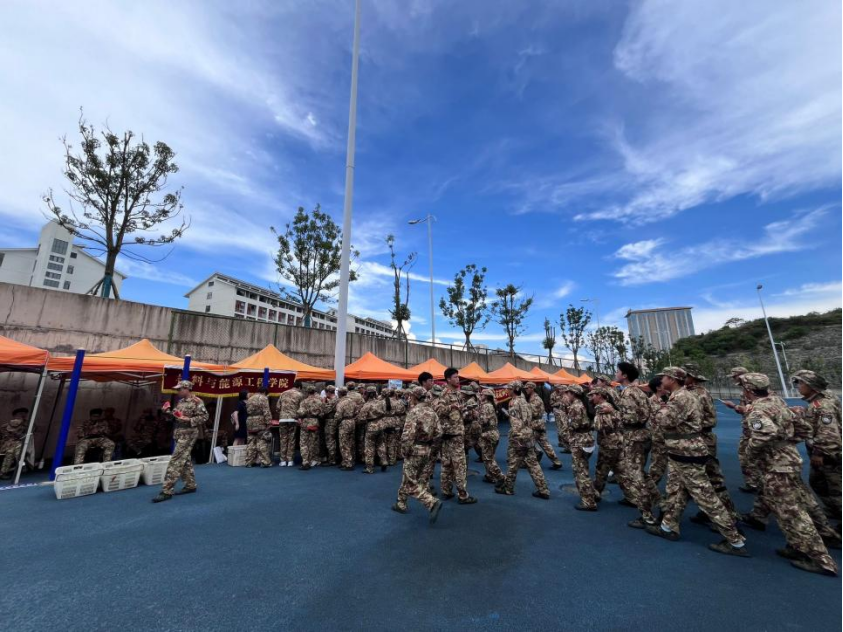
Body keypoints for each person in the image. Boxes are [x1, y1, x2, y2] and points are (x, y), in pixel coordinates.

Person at [738, 372, 837, 576]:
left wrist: (750, 454)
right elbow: (804, 428)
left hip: (776, 466)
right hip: (789, 460)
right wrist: (788, 444)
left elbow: (765, 434)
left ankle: (821, 560)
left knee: (791, 513)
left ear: (748, 390)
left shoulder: (758, 409)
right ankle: (806, 542)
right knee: (806, 502)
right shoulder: (777, 402)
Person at [644, 368, 748, 558]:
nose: (661, 380)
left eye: (664, 377)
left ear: (672, 379)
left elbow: (664, 421)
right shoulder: (680, 395)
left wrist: (658, 408)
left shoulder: (681, 398)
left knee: (705, 496)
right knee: (675, 491)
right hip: (679, 451)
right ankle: (668, 526)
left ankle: (735, 540)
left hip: (687, 452)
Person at [683, 363, 739, 525]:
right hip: (700, 437)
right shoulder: (695, 392)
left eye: (685, 376)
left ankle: (727, 517)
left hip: (701, 438)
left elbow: (700, 419)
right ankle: (715, 512)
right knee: (705, 477)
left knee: (710, 477)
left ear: (692, 377)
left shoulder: (696, 394)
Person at [791, 370, 842, 526]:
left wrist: (819, 453)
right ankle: (835, 510)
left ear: (812, 386)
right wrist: (803, 413)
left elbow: (829, 435)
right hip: (824, 453)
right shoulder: (818, 402)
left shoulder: (822, 406)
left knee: (836, 490)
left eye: (801, 383)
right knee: (817, 483)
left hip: (829, 455)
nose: (798, 386)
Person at [615, 362, 659, 530]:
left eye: (618, 371)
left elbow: (630, 418)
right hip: (642, 434)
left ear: (625, 375)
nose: (616, 374)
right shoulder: (639, 392)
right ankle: (660, 502)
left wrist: (616, 416)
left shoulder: (627, 393)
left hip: (633, 436)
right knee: (641, 473)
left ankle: (647, 515)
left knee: (635, 476)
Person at [392, 386, 443, 524]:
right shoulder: (432, 412)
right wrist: (431, 446)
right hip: (426, 449)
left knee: (410, 482)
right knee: (409, 476)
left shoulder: (414, 412)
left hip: (414, 449)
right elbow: (439, 433)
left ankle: (431, 502)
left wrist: (405, 451)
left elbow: (407, 436)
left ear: (414, 397)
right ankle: (401, 503)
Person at [153, 381, 208, 503]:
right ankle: (190, 485)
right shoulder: (181, 402)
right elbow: (176, 416)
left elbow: (204, 417)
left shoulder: (197, 401)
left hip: (189, 433)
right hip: (179, 432)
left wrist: (189, 420)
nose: (177, 391)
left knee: (176, 460)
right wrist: (167, 412)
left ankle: (167, 490)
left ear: (187, 389)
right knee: (185, 459)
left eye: (179, 389)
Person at [495, 381, 550, 499]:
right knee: (533, 464)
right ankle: (543, 489)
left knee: (513, 463)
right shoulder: (524, 401)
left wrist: (516, 438)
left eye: (509, 388)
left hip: (519, 436)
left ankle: (508, 488)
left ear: (514, 389)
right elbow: (525, 418)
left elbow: (516, 423)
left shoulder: (513, 402)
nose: (507, 391)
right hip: (528, 434)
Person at [432, 368, 477, 504]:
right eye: (455, 377)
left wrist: (467, 411)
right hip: (452, 433)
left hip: (454, 432)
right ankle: (462, 495)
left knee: (447, 463)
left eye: (458, 377)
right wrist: (451, 407)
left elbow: (458, 412)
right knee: (459, 465)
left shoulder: (457, 393)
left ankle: (446, 491)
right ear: (448, 379)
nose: (458, 379)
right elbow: (438, 410)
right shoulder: (445, 393)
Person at [722, 366, 761, 493]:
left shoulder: (752, 391)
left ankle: (756, 483)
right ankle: (754, 482)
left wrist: (734, 406)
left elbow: (754, 411)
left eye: (734, 377)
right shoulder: (746, 390)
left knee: (749, 455)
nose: (733, 379)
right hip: (749, 428)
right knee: (746, 455)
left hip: (755, 430)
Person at [563, 385, 599, 511]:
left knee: (580, 471)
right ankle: (592, 493)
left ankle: (589, 501)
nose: (566, 395)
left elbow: (574, 425)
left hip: (579, 439)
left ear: (573, 394)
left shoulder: (575, 407)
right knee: (583, 468)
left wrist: (567, 431)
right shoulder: (582, 404)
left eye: (568, 393)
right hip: (586, 438)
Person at [591, 388, 624, 499]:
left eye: (593, 395)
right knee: (620, 470)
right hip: (618, 440)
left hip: (608, 442)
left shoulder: (601, 408)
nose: (592, 398)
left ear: (600, 395)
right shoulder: (611, 407)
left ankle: (594, 495)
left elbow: (599, 426)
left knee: (601, 470)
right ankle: (632, 497)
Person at [525, 381, 563, 470]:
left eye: (527, 388)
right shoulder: (532, 398)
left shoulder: (536, 399)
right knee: (545, 444)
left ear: (532, 388)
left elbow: (534, 413)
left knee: (527, 442)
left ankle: (534, 457)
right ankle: (556, 462)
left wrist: (525, 411)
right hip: (538, 424)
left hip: (535, 424)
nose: (526, 389)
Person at [477, 388, 504, 485]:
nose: (480, 396)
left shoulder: (486, 406)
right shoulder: (491, 405)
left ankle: (501, 477)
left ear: (486, 396)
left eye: (482, 394)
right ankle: (490, 475)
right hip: (493, 433)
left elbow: (483, 421)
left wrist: (477, 415)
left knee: (488, 458)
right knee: (490, 456)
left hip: (488, 434)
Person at [646, 376, 669, 490]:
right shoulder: (652, 401)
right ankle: (648, 492)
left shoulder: (666, 399)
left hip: (666, 438)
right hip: (659, 439)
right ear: (658, 387)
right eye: (664, 384)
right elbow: (653, 423)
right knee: (657, 467)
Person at [360, 385, 389, 474]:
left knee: (369, 447)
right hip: (381, 425)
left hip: (371, 427)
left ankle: (369, 467)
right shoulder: (381, 403)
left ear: (367, 394)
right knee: (381, 444)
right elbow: (385, 412)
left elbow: (362, 418)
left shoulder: (367, 405)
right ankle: (384, 461)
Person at [244, 386, 273, 468]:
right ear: (264, 392)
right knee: (262, 441)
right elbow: (266, 411)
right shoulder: (263, 398)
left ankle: (249, 462)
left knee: (251, 442)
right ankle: (265, 462)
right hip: (260, 421)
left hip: (250, 421)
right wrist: (269, 422)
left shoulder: (250, 398)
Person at [296, 385, 323, 470]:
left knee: (303, 443)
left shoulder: (304, 402)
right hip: (315, 422)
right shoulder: (319, 402)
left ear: (307, 392)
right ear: (314, 392)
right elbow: (322, 414)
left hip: (305, 423)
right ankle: (311, 460)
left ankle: (305, 462)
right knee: (312, 443)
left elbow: (301, 413)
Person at [277, 382, 304, 467]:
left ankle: (282, 461)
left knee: (283, 439)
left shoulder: (283, 393)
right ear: (299, 387)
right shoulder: (300, 395)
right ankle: (290, 460)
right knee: (291, 439)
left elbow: (278, 407)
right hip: (293, 419)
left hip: (282, 419)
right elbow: (301, 409)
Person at [336, 387, 361, 470]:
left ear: (340, 393)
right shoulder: (352, 401)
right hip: (352, 421)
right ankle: (350, 460)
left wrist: (337, 421)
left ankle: (348, 463)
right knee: (351, 442)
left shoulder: (341, 403)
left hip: (344, 422)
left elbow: (338, 416)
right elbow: (357, 412)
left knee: (344, 444)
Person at [1, 407, 28, 480]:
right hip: (10, 443)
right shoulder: (12, 423)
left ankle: (4, 472)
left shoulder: (25, 424)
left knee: (14, 453)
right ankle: (22, 465)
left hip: (14, 443)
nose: (24, 416)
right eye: (21, 414)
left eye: (24, 414)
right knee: (12, 454)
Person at [322, 385, 340, 465]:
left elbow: (325, 410)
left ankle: (332, 460)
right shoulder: (337, 399)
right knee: (334, 440)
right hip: (335, 421)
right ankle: (334, 458)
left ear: (328, 392)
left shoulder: (333, 400)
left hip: (330, 421)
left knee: (330, 440)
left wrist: (323, 402)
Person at [550, 384, 571, 453]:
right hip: (561, 415)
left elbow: (568, 408)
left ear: (564, 390)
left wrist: (567, 416)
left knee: (564, 431)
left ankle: (569, 446)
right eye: (560, 389)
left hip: (564, 416)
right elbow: (552, 403)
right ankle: (566, 446)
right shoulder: (562, 396)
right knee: (562, 430)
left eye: (562, 389)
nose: (560, 390)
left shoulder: (565, 398)